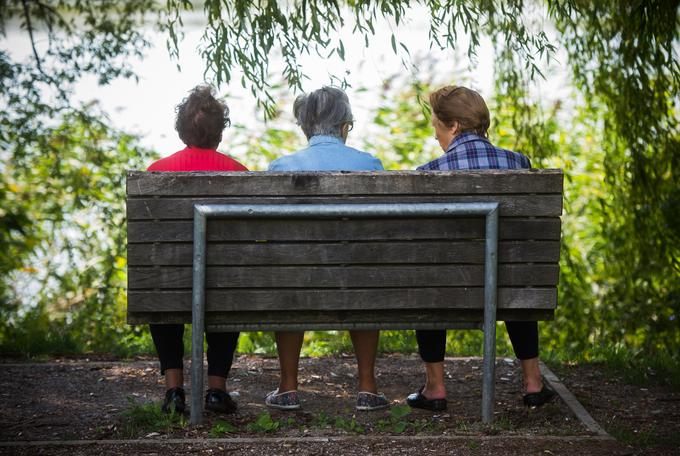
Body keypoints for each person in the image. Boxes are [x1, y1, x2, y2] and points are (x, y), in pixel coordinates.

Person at [406, 85, 556, 411]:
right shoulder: (519, 164)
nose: (435, 135)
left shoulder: (430, 174)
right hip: (511, 287)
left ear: (454, 126)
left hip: (450, 290)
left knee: (429, 282)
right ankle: (533, 382)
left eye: (436, 125)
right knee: (513, 272)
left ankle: (435, 388)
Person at [266, 86, 388, 411]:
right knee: (364, 277)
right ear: (345, 126)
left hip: (297, 283)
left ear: (305, 127)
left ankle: (288, 387)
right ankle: (367, 386)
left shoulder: (281, 167)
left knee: (289, 277)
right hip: (355, 280)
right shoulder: (370, 165)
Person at [147, 85, 247, 415]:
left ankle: (174, 390)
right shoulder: (238, 174)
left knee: (162, 288)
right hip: (222, 286)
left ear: (181, 130)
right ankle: (216, 391)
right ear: (220, 132)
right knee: (228, 287)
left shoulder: (156, 173)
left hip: (170, 285)